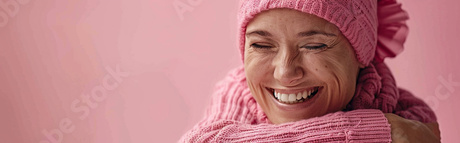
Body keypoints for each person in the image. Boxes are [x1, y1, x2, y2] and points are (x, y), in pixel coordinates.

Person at [180, 0, 440, 142]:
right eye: (261, 45)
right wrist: (376, 132)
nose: (285, 72)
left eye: (314, 45)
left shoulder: (410, 119)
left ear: (362, 51)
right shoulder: (238, 95)